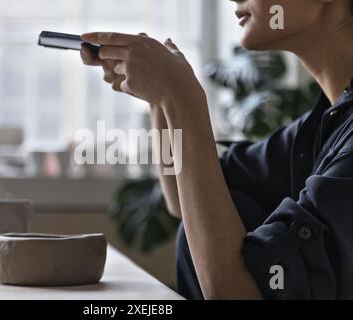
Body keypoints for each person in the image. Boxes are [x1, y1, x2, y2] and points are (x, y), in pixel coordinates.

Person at [80, 0, 353, 299]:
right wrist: (161, 100)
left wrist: (181, 99)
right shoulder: (324, 126)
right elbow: (181, 199)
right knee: (233, 207)